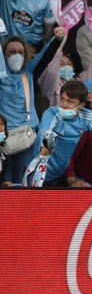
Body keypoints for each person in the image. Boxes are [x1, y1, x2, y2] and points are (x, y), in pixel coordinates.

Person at [0, 36, 45, 183]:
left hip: (26, 137)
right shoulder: (1, 76)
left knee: (22, 180)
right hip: (4, 138)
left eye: (20, 52)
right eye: (12, 52)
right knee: (5, 181)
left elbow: (46, 56)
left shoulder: (28, 73)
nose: (16, 55)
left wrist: (56, 39)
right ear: (4, 55)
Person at [38, 27, 92, 107]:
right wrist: (61, 41)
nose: (66, 66)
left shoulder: (78, 82)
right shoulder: (51, 83)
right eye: (61, 64)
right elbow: (52, 68)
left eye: (69, 64)